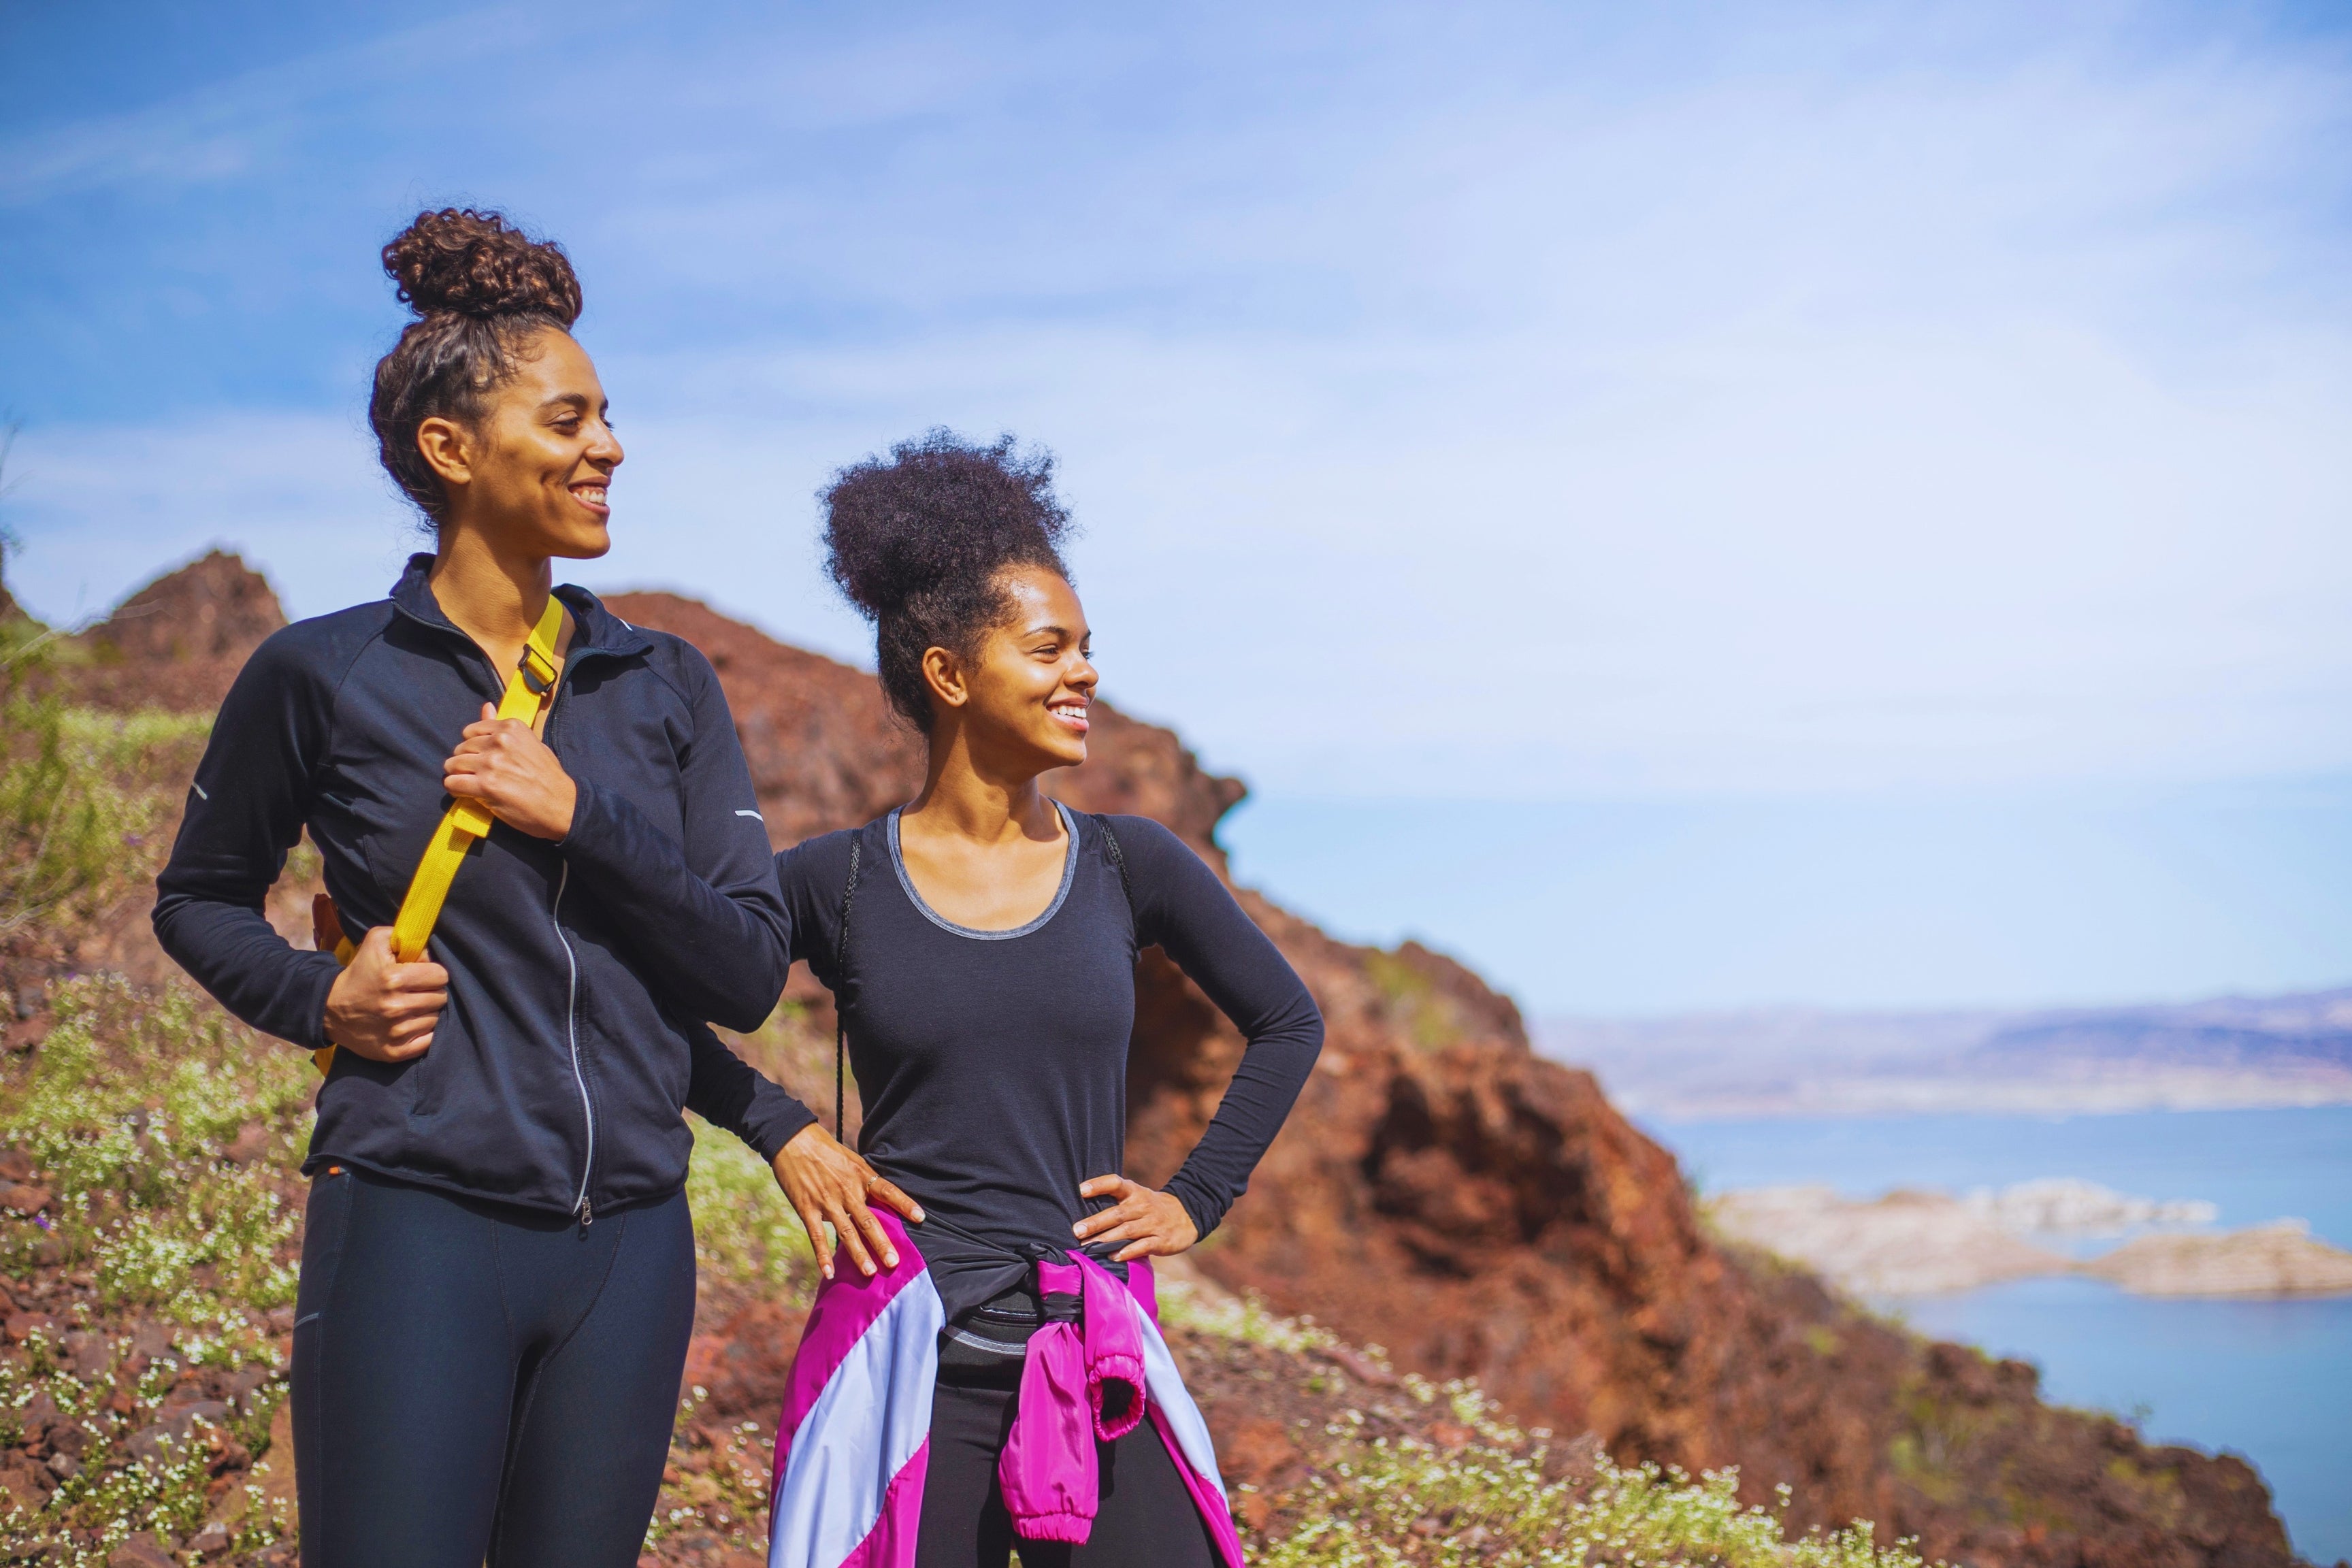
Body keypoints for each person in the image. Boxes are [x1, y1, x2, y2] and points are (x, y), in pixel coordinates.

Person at [152, 209, 813, 1567]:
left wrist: (583, 818)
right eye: (568, 422)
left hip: (631, 1247)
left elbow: (746, 967)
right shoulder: (325, 675)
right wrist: (318, 997)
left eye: (608, 419)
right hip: (414, 1222)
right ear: (453, 451)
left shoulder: (665, 684)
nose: (607, 449)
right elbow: (199, 896)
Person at [762, 431, 1325, 1568]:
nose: (1086, 674)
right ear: (952, 675)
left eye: (1087, 648)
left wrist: (1196, 1200)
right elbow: (655, 1001)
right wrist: (784, 1135)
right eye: (1050, 647)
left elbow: (1288, 1021)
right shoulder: (838, 880)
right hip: (910, 1362)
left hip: (1094, 1354)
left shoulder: (1131, 863)